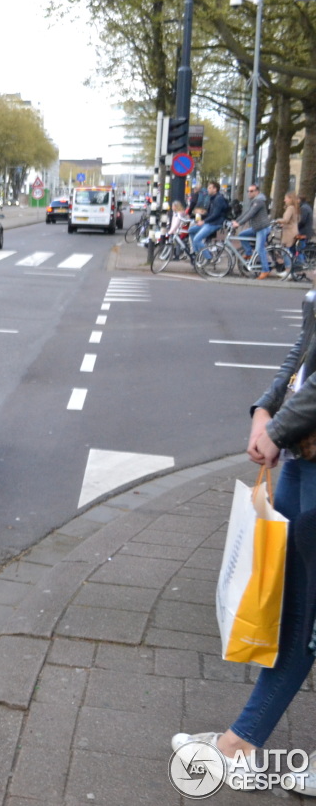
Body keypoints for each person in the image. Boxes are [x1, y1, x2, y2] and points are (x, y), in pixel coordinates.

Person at [172, 291, 316, 797]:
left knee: (303, 613)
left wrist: (278, 424)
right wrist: (266, 407)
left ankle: (242, 743)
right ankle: (243, 742)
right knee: (298, 611)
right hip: (304, 449)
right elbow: (307, 347)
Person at [230, 184, 274, 278]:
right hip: (256, 227)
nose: (249, 193)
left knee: (259, 248)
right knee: (242, 235)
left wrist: (239, 224)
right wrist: (236, 221)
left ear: (257, 192)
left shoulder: (259, 201)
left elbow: (251, 214)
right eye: (248, 191)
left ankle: (265, 270)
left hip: (262, 228)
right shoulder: (254, 201)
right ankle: (249, 253)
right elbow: (246, 213)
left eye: (252, 191)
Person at [189, 181, 229, 257]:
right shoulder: (213, 198)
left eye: (210, 188)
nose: (208, 189)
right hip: (211, 222)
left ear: (215, 189)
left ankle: (208, 257)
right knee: (191, 230)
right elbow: (212, 213)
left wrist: (204, 221)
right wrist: (203, 213)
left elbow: (216, 214)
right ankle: (197, 253)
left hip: (215, 223)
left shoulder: (218, 199)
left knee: (197, 239)